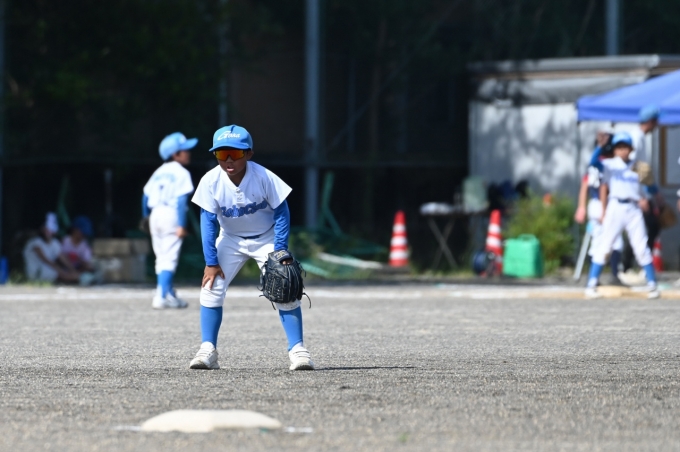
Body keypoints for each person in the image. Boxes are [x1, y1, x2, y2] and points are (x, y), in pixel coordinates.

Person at [188, 124, 314, 371]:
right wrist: (211, 262)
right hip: (231, 239)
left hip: (266, 238)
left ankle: (298, 350)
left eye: (235, 153)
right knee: (211, 287)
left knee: (285, 288)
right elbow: (208, 222)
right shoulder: (211, 181)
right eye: (222, 153)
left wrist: (280, 250)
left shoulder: (263, 177)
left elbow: (282, 212)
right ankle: (208, 349)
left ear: (249, 154)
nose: (229, 160)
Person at [584, 132, 659, 299]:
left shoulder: (639, 166)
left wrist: (649, 199)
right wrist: (600, 147)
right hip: (615, 206)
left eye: (625, 147)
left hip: (633, 208)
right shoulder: (610, 164)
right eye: (619, 147)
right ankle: (591, 283)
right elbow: (593, 163)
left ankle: (652, 283)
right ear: (615, 150)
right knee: (605, 245)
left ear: (631, 149)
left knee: (641, 246)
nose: (622, 150)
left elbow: (650, 187)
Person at [142, 132, 197, 309]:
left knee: (161, 257)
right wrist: (181, 224)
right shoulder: (181, 172)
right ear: (175, 154)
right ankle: (161, 296)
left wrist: (146, 216)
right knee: (169, 258)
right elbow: (181, 200)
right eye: (184, 150)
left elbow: (145, 197)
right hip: (171, 214)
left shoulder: (159, 172)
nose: (188, 153)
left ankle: (169, 293)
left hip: (155, 214)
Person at [574, 130, 624, 285]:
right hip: (604, 205)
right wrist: (598, 209)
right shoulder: (608, 164)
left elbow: (584, 186)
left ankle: (594, 277)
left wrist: (581, 207)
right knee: (613, 241)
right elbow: (600, 187)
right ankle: (611, 275)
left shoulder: (597, 163)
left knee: (599, 241)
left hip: (596, 205)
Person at [23, 212, 82, 284]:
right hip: (36, 274)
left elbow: (62, 258)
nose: (49, 232)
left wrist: (73, 270)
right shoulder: (35, 242)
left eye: (51, 229)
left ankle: (81, 278)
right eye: (46, 229)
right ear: (42, 229)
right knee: (64, 275)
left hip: (50, 271)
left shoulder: (54, 243)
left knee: (72, 275)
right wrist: (62, 272)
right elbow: (45, 259)